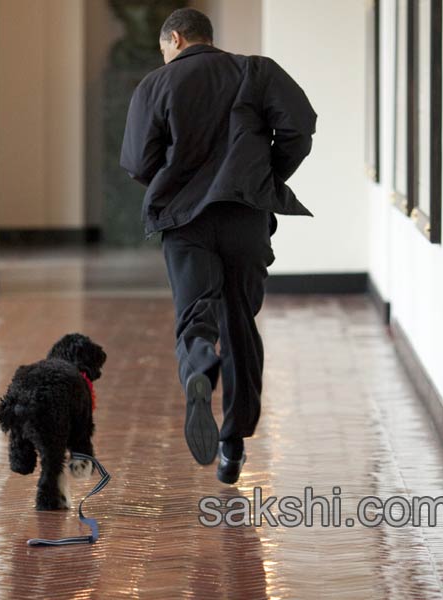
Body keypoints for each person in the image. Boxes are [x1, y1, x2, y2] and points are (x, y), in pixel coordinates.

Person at [120, 8, 316, 483]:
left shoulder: (156, 84)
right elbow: (300, 126)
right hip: (244, 216)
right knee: (240, 322)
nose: (164, 56)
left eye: (164, 48)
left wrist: (172, 180)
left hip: (187, 221)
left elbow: (136, 160)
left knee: (196, 314)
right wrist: (263, 175)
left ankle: (200, 367)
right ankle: (233, 444)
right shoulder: (255, 70)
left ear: (177, 39)